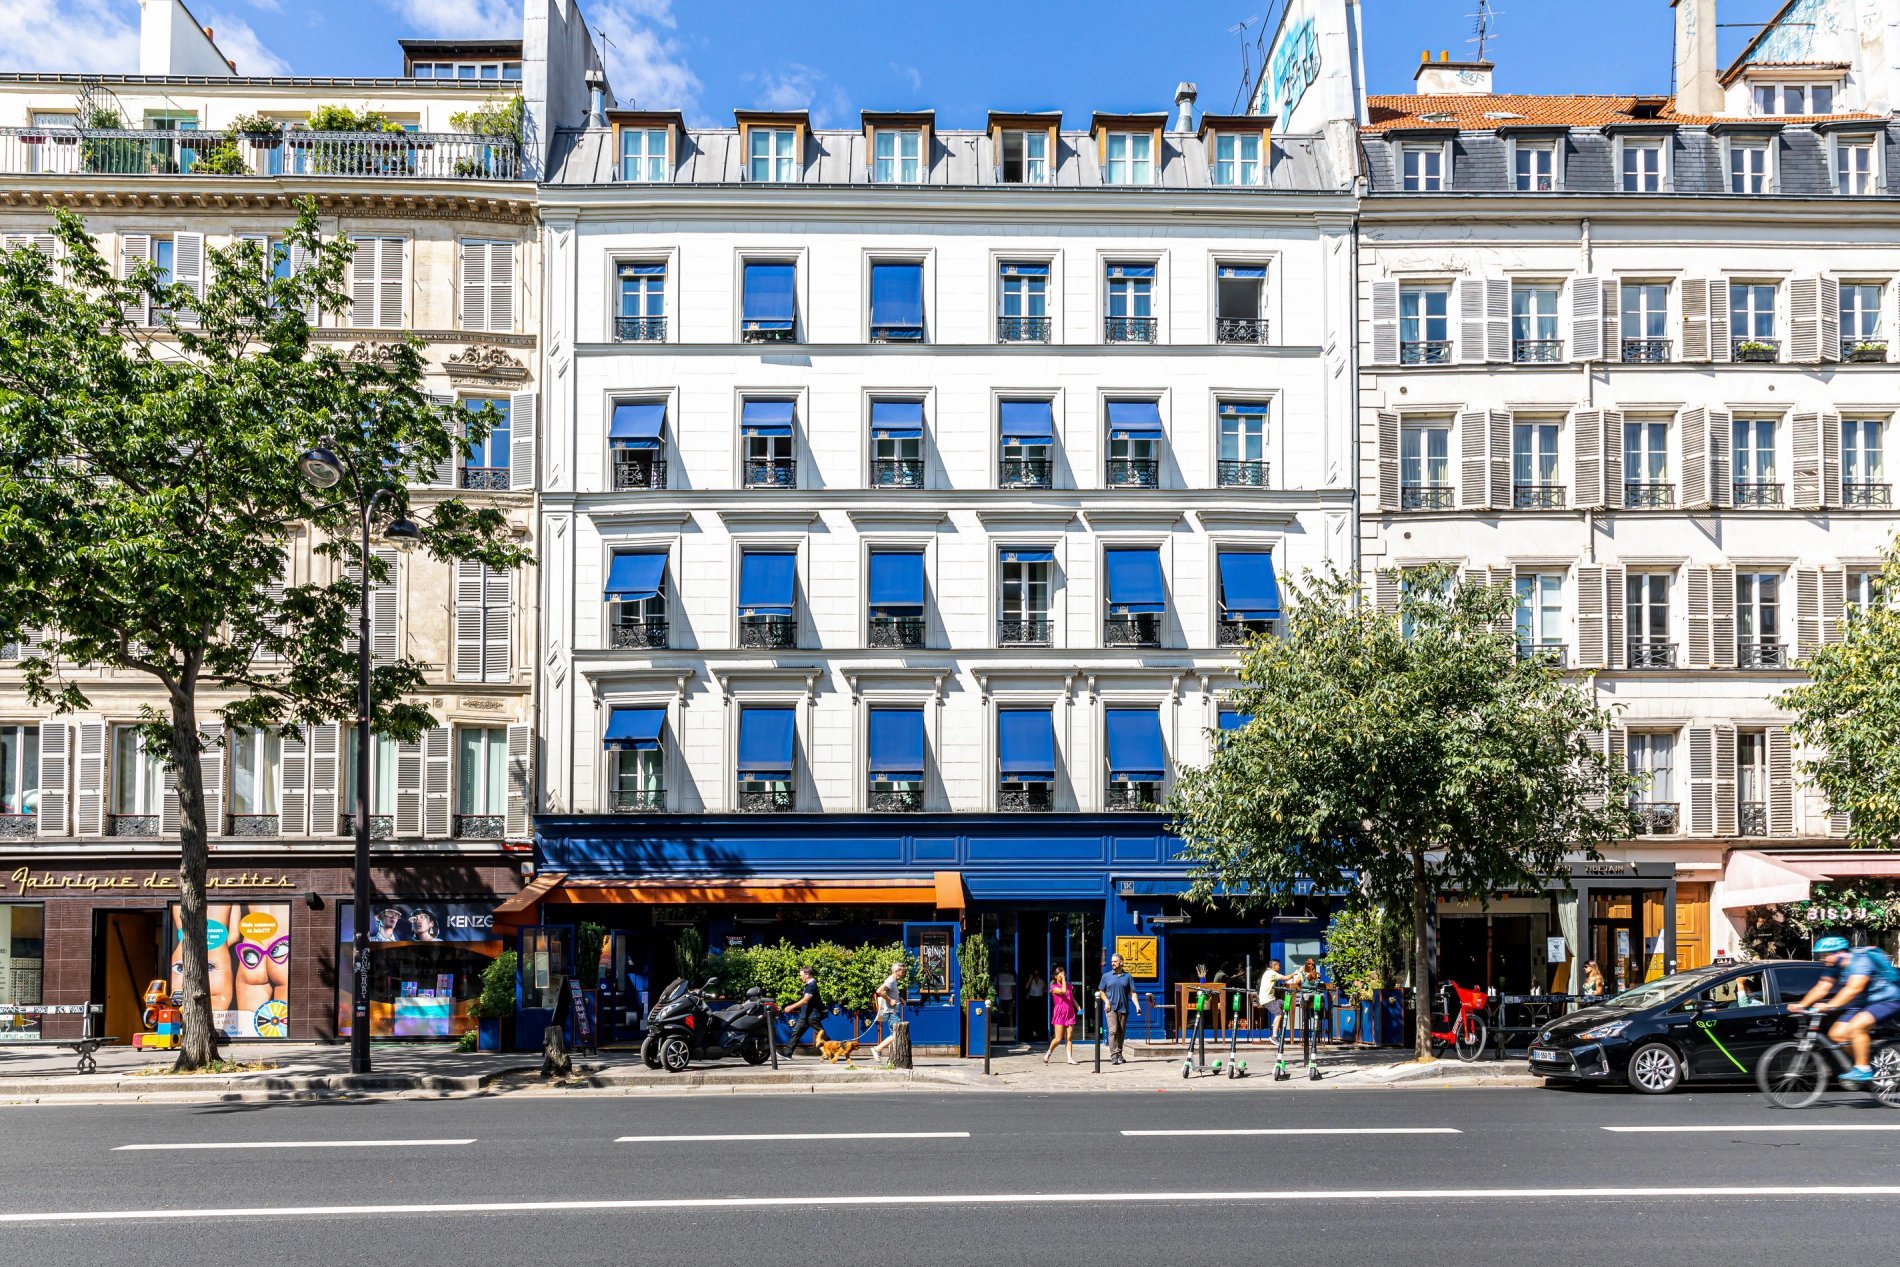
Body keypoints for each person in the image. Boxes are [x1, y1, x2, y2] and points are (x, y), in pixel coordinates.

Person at [1790, 935, 1900, 1085]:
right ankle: (1866, 1062)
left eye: (1825, 955)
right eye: (1820, 955)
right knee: (1837, 1034)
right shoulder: (1834, 967)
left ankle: (1863, 1068)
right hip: (1863, 1004)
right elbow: (1823, 987)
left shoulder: (1861, 960)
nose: (1822, 959)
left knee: (1857, 1027)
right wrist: (1802, 1005)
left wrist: (1829, 1005)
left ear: (1840, 952)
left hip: (1887, 999)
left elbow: (1853, 989)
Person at [1096, 953, 1141, 1065]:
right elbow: (1101, 991)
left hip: (1123, 1008)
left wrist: (1137, 1006)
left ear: (1121, 963)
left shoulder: (1128, 977)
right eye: (1112, 961)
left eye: (1115, 961)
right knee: (1113, 1031)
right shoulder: (1106, 976)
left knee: (1121, 1032)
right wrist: (1106, 1002)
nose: (1112, 963)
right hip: (1111, 1008)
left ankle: (1119, 1053)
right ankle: (1114, 1055)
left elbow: (1132, 993)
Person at [778, 965, 822, 1058]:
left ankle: (833, 1050)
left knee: (822, 1034)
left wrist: (791, 1006)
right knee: (796, 1033)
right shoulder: (809, 985)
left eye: (801, 975)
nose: (800, 977)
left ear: (807, 975)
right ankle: (788, 1053)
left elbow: (805, 1000)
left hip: (811, 1016)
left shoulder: (811, 985)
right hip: (805, 1015)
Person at [872, 962, 908, 1062]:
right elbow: (879, 991)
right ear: (896, 971)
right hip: (891, 1012)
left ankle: (892, 1059)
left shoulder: (894, 981)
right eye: (902, 971)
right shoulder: (891, 980)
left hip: (892, 1011)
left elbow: (891, 993)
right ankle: (877, 1049)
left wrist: (900, 999)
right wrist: (890, 1000)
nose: (903, 973)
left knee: (895, 1035)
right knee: (897, 1033)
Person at [1042, 967, 1079, 1064]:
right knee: (1058, 1038)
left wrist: (1078, 1006)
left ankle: (1069, 1058)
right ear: (1055, 976)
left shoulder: (1069, 985)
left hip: (1070, 1012)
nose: (1063, 976)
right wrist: (1063, 980)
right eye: (1061, 975)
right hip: (1059, 1013)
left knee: (1069, 1037)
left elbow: (1072, 998)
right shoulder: (1053, 987)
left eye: (1064, 974)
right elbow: (1063, 991)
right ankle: (1048, 1053)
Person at [1256, 958, 1293, 1050]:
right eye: (1278, 965)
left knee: (1285, 1004)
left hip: (1272, 999)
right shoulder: (1271, 973)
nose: (1280, 967)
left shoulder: (1268, 972)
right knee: (1278, 1013)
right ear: (1274, 966)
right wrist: (1296, 973)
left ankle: (1276, 1024)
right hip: (1267, 1000)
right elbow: (1286, 978)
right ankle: (1274, 1036)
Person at [1025, 971, 1046, 1041]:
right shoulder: (1031, 980)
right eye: (1035, 974)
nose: (1036, 976)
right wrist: (1030, 979)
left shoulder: (1042, 981)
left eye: (1037, 974)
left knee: (1039, 1015)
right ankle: (1032, 1031)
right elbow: (1026, 987)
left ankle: (1038, 1031)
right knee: (1032, 1015)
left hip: (1039, 999)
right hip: (1032, 999)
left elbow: (1045, 989)